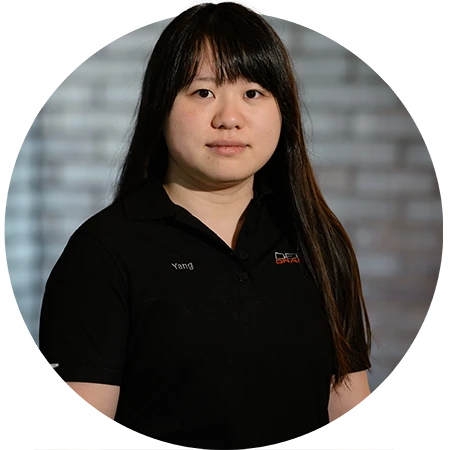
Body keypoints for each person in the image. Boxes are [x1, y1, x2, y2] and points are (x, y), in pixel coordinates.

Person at [39, 1, 374, 449]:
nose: (229, 118)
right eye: (203, 93)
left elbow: (352, 423)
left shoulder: (315, 237)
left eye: (253, 93)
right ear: (161, 107)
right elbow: (76, 439)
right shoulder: (103, 252)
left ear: (283, 110)